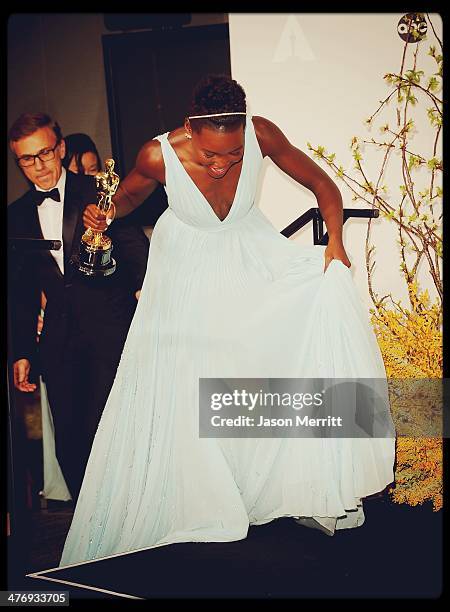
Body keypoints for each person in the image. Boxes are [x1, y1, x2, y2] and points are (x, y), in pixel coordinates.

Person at [59, 74, 395, 567]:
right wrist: (103, 214)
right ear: (191, 130)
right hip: (184, 269)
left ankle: (277, 483)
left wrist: (336, 246)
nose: (221, 165)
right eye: (211, 154)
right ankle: (203, 498)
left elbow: (323, 184)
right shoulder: (158, 154)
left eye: (233, 154)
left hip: (248, 254)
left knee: (261, 361)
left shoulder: (262, 135)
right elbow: (128, 197)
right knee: (186, 380)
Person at [8, 112, 150, 505]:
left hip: (111, 329)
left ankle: (130, 513)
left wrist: (144, 300)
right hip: (58, 342)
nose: (38, 167)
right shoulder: (16, 215)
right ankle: (90, 519)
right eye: (26, 159)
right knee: (69, 437)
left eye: (45, 154)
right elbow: (20, 292)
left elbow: (136, 251)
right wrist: (22, 352)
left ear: (61, 148)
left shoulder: (101, 192)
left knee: (116, 429)